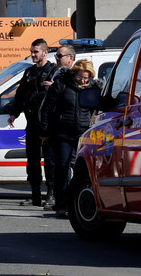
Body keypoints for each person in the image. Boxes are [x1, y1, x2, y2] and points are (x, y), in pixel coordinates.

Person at [40, 59, 102, 217]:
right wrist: (45, 131)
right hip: (63, 133)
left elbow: (99, 109)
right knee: (63, 168)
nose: (83, 80)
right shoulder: (62, 85)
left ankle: (76, 201)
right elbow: (47, 109)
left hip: (84, 134)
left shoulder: (93, 89)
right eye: (80, 77)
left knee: (82, 170)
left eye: (86, 78)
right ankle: (61, 204)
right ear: (75, 74)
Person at [8, 38, 56, 206]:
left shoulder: (53, 71)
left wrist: (53, 87)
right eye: (32, 51)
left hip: (47, 124)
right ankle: (35, 195)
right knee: (32, 160)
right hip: (32, 122)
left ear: (45, 52)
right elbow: (20, 95)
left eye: (36, 52)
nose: (33, 55)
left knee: (50, 160)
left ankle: (51, 195)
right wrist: (14, 113)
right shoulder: (29, 72)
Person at [39, 44, 76, 211]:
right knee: (56, 165)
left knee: (67, 166)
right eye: (56, 56)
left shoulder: (74, 78)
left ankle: (65, 200)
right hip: (57, 129)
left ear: (71, 58)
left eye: (60, 56)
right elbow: (47, 107)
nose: (56, 59)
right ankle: (58, 199)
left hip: (72, 130)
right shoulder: (56, 75)